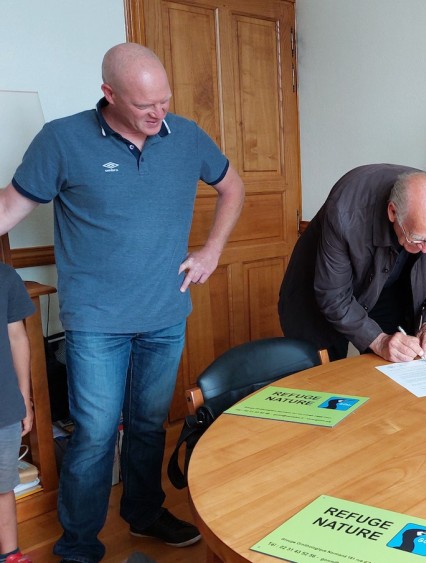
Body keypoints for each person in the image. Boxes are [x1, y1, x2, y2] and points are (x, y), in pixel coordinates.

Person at [0, 42, 245, 562]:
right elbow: (8, 207)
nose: (159, 113)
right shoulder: (63, 140)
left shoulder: (185, 136)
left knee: (149, 425)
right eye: (144, 104)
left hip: (165, 314)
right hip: (95, 322)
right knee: (92, 435)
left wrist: (211, 250)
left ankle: (144, 513)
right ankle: (80, 545)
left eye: (165, 100)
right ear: (108, 94)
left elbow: (233, 187)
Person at [278, 164, 426, 363]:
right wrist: (379, 341)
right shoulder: (345, 211)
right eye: (417, 238)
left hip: (387, 288)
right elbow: (333, 295)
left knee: (398, 358)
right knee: (323, 374)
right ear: (392, 211)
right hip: (321, 291)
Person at [0, 266, 33, 563]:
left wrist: (25, 398)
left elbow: (18, 338)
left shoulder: (6, 278)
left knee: (2, 486)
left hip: (4, 409)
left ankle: (10, 554)